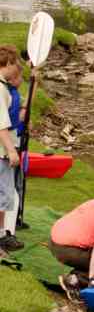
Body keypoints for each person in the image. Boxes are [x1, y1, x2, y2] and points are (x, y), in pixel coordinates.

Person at [0, 45, 22, 253]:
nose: (16, 68)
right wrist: (11, 150)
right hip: (1, 152)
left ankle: (1, 234)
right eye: (14, 63)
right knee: (4, 194)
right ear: (7, 63)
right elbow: (1, 125)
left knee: (5, 194)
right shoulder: (0, 89)